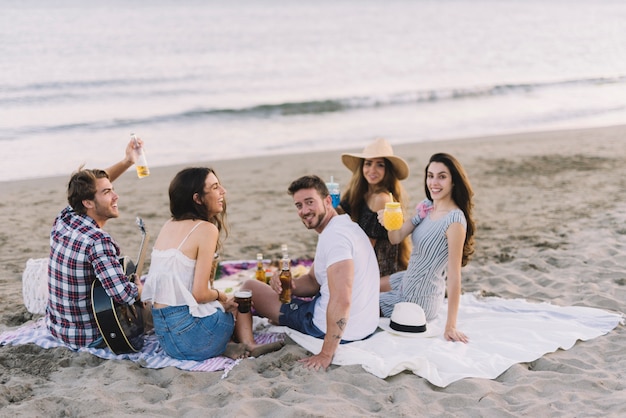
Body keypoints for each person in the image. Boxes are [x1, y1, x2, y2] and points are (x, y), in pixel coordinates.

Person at [234, 175, 380, 371]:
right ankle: (280, 315)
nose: (304, 211)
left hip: (332, 328)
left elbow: (341, 298)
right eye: (298, 205)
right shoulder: (343, 227)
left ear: (328, 201)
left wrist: (326, 354)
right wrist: (288, 285)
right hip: (365, 326)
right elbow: (313, 280)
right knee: (279, 302)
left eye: (310, 202)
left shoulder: (335, 238)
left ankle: (250, 343)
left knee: (249, 287)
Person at [140, 167, 283, 360]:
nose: (223, 191)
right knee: (236, 303)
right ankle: (249, 344)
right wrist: (222, 297)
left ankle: (227, 346)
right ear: (197, 199)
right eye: (215, 187)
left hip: (168, 340)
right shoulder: (205, 229)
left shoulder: (168, 225)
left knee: (218, 305)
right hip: (193, 338)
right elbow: (199, 294)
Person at [46, 138, 145, 349]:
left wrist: (129, 161)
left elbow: (90, 188)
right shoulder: (98, 241)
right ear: (88, 203)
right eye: (108, 192)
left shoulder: (65, 216)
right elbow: (123, 294)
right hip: (90, 337)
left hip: (57, 328)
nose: (116, 196)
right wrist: (138, 289)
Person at [378, 153, 476, 344]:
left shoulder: (455, 221)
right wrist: (389, 222)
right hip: (407, 278)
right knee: (363, 286)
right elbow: (396, 238)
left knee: (362, 302)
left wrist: (450, 325)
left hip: (420, 297)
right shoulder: (427, 207)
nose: (434, 182)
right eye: (430, 176)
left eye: (442, 176)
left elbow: (455, 276)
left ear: (453, 181)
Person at [338, 138, 411, 285]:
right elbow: (340, 216)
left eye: (380, 165)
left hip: (380, 272)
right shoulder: (359, 193)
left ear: (387, 170)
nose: (372, 170)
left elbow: (366, 248)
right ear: (362, 167)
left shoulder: (382, 199)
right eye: (368, 163)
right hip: (364, 264)